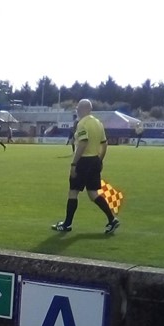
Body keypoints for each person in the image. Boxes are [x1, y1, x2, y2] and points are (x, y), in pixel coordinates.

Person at [52, 99, 120, 234]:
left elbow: (83, 143)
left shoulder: (82, 123)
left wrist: (74, 163)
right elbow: (104, 144)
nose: (76, 110)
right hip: (95, 159)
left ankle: (67, 224)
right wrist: (100, 160)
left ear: (82, 109)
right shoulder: (98, 123)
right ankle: (112, 219)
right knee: (93, 193)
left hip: (84, 161)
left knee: (73, 191)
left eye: (78, 108)